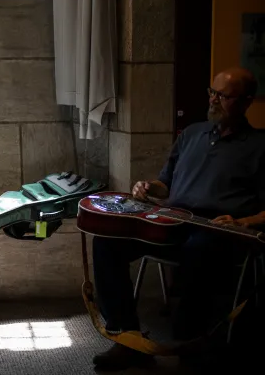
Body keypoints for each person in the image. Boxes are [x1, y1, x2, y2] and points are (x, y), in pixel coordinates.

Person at [91, 66, 265, 370]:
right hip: (173, 221)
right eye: (212, 92)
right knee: (107, 242)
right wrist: (146, 187)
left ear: (247, 101)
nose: (213, 100)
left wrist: (245, 223)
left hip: (219, 231)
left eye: (224, 96)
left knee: (198, 252)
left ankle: (189, 346)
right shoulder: (192, 134)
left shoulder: (259, 145)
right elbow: (166, 185)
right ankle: (127, 339)